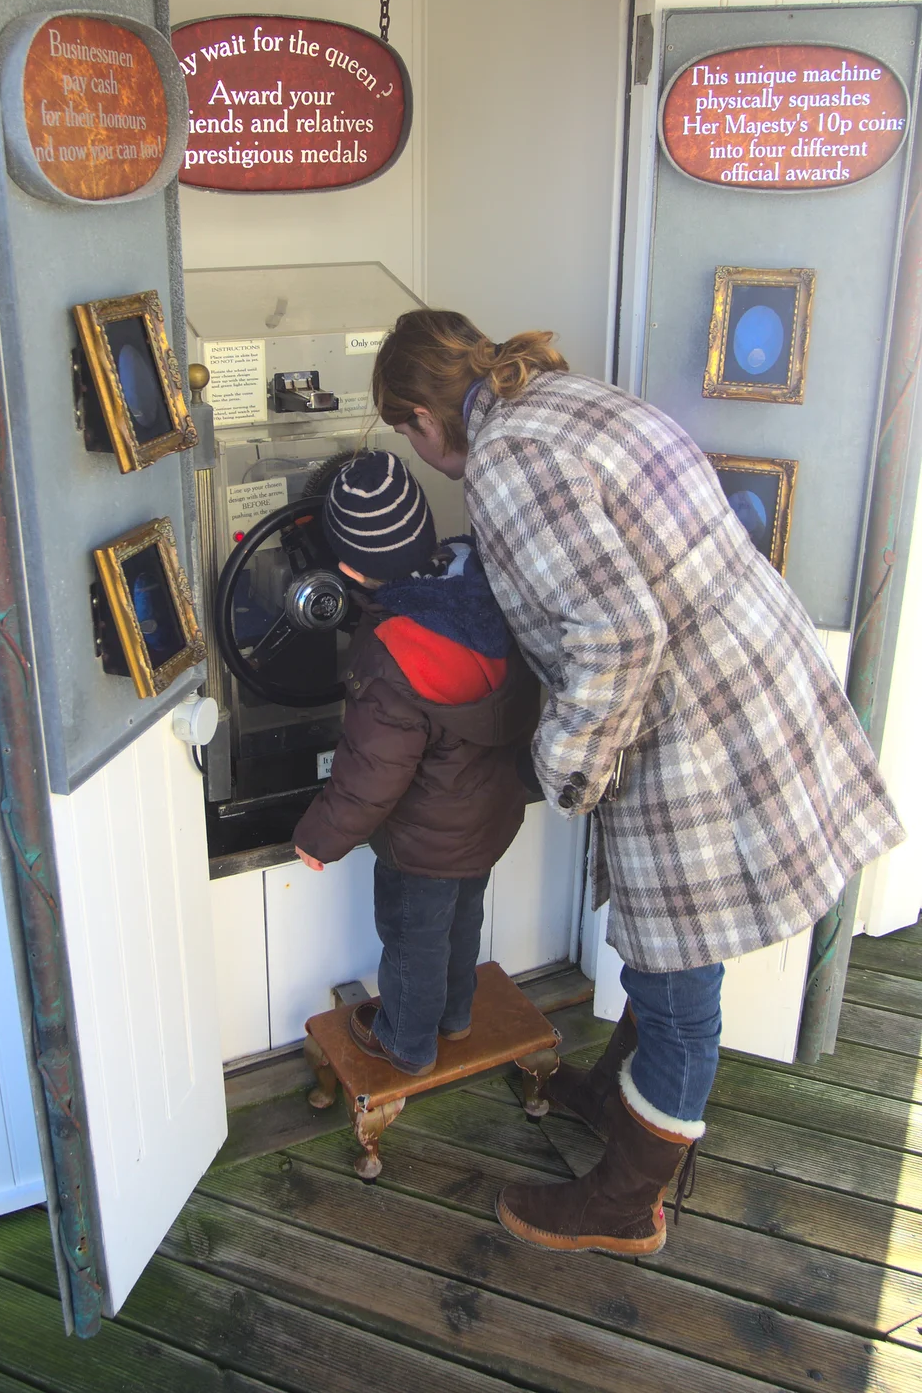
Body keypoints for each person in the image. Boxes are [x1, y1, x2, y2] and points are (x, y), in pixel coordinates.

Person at [372, 308, 904, 1254]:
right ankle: (626, 1108)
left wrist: (567, 767)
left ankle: (626, 1203)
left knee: (676, 976)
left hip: (692, 721)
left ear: (421, 414)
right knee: (670, 949)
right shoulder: (559, 395)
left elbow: (617, 633)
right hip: (745, 674)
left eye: (407, 436)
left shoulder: (508, 462)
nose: (422, 457)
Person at [292, 450, 539, 1078]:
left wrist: (321, 837)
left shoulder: (391, 654)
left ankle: (407, 1043)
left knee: (411, 940)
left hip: (422, 840)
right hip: (487, 818)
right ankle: (455, 1016)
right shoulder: (482, 582)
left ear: (346, 568)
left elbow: (370, 774)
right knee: (459, 923)